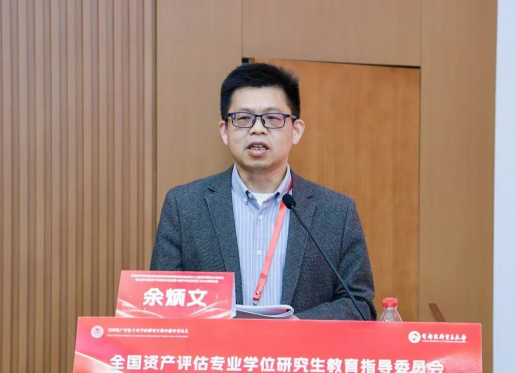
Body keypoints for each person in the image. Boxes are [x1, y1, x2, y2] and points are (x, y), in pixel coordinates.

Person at [151, 63, 376, 320]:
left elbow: (360, 305)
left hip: (299, 347)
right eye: (243, 118)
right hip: (216, 347)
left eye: (272, 118)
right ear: (225, 131)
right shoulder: (184, 207)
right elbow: (160, 303)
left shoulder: (337, 212)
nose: (257, 129)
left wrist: (298, 328)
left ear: (296, 131)